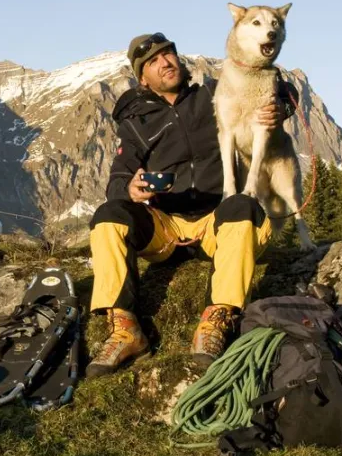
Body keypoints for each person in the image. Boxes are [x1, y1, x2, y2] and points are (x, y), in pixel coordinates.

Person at [85, 32, 296, 377]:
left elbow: (277, 88)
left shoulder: (213, 95)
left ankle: (217, 320)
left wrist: (281, 108)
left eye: (168, 54)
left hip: (217, 222)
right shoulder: (136, 123)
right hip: (166, 229)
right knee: (109, 215)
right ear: (142, 78)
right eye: (153, 61)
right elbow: (117, 180)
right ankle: (125, 329)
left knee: (242, 205)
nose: (165, 62)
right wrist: (130, 189)